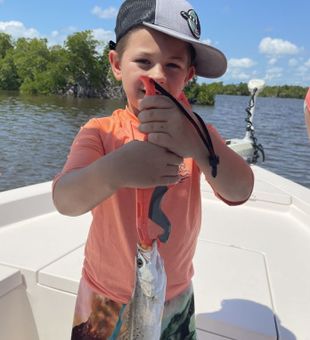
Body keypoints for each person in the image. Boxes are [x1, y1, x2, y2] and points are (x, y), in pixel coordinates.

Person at [52, 0, 254, 338]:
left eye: (173, 65)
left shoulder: (200, 136)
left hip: (174, 296)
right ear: (116, 64)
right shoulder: (99, 131)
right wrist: (111, 171)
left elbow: (241, 190)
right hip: (104, 298)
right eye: (144, 61)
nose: (158, 75)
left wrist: (200, 146)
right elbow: (64, 200)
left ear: (189, 75)